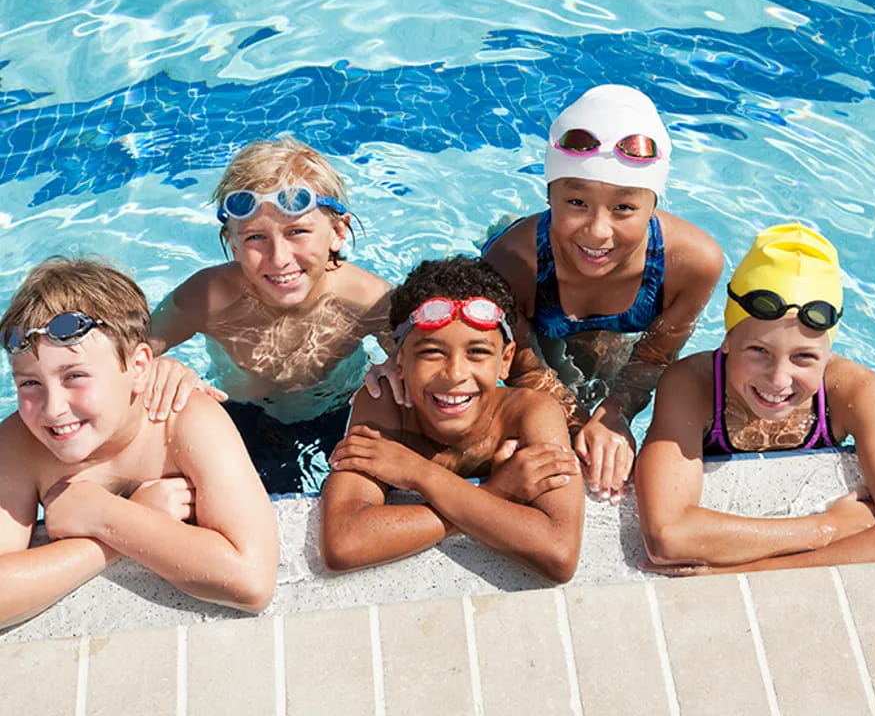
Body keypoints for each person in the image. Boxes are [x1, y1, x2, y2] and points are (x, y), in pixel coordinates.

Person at [635, 223, 875, 574]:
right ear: (727, 341)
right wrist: (826, 528)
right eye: (758, 350)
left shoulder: (856, 391)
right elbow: (668, 536)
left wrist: (740, 573)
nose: (778, 380)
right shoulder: (692, 385)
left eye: (804, 357)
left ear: (828, 352)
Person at [0, 257, 278, 627]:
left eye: (75, 376)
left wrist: (103, 514)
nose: (52, 409)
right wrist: (113, 533)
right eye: (29, 384)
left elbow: (252, 580)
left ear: (140, 368)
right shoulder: (21, 442)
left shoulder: (182, 420)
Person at [478, 84, 723, 505]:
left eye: (624, 208)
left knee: (605, 363)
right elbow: (521, 364)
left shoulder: (694, 262)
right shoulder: (511, 260)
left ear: (653, 205)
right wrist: (578, 424)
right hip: (540, 306)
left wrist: (615, 415)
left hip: (608, 323)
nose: (597, 230)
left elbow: (655, 356)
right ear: (550, 194)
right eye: (576, 201)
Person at [149, 136, 393, 493]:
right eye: (254, 238)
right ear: (232, 244)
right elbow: (125, 353)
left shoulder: (369, 300)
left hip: (340, 412)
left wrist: (400, 365)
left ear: (337, 232)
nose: (278, 258)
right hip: (243, 416)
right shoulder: (207, 297)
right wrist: (158, 367)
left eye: (297, 232)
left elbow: (431, 356)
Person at [321, 256, 584, 583]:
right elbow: (344, 543)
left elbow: (559, 554)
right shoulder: (383, 404)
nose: (455, 374)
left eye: (477, 352)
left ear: (506, 361)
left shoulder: (531, 412)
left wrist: (418, 472)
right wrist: (498, 492)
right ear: (400, 361)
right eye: (432, 352)